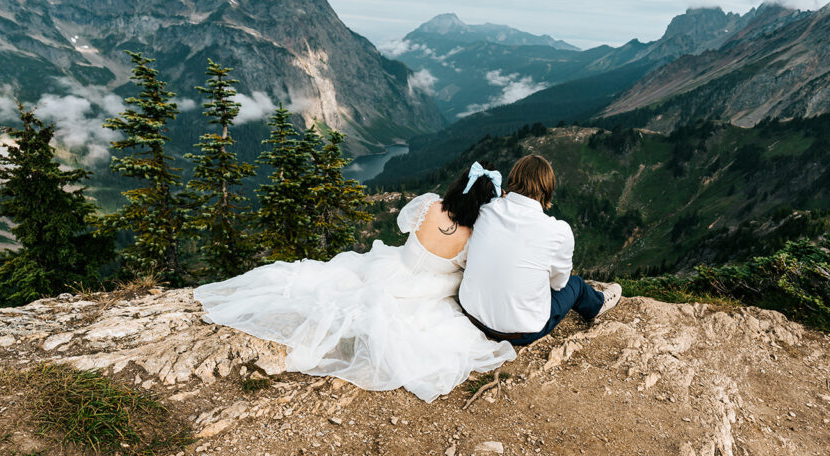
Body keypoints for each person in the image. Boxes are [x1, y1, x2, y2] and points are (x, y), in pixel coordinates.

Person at [194, 162, 516, 402]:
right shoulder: (475, 238)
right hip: (426, 289)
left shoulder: (428, 205)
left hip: (388, 270)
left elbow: (404, 225)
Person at [459, 154, 622, 346]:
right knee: (575, 284)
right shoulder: (558, 231)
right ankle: (597, 304)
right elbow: (559, 284)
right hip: (519, 332)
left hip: (471, 314)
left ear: (514, 178)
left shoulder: (486, 209)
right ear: (547, 188)